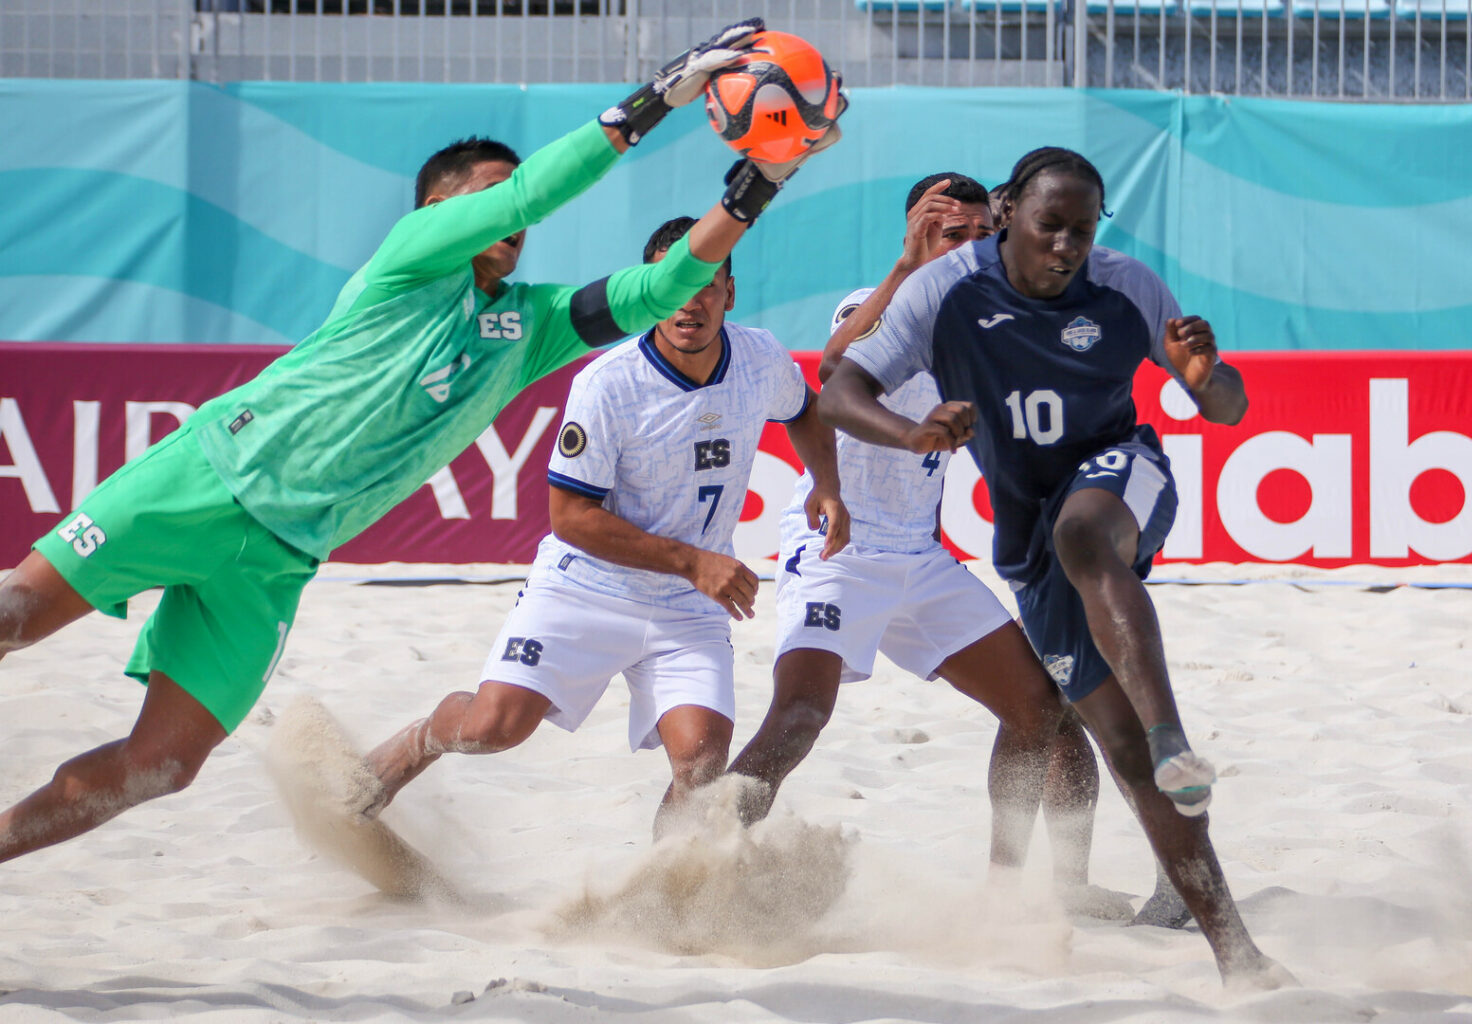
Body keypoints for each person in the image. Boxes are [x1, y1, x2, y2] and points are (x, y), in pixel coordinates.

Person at [0, 20, 844, 866]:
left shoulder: (529, 325)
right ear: (444, 211)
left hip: (278, 562)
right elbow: (529, 196)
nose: (514, 214)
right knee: (17, 615)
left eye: (512, 204)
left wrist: (759, 183)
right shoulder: (407, 259)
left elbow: (665, 284)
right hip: (208, 478)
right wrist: (657, 98)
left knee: (164, 766)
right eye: (491, 196)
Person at [818, 147, 1290, 986]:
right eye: (1051, 226)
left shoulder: (1126, 287)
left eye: (1082, 227)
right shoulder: (943, 290)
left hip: (1121, 481)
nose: (1068, 245)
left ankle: (1171, 729)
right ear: (1009, 217)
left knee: (1085, 543)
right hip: (1025, 537)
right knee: (1118, 752)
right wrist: (913, 430)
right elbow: (837, 393)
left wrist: (1207, 376)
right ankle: (1240, 957)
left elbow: (1227, 410)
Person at [726, 171, 1183, 923]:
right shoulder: (887, 301)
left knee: (1047, 708)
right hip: (840, 545)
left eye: (978, 234)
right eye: (948, 234)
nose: (966, 249)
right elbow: (833, 372)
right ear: (914, 237)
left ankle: (1031, 887)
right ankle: (695, 859)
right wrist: (906, 266)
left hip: (919, 553)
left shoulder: (987, 306)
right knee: (800, 717)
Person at [355, 216, 849, 840]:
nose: (690, 300)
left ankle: (665, 892)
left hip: (684, 605)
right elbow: (570, 519)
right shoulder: (607, 384)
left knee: (701, 763)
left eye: (707, 283)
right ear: (650, 289)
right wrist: (696, 562)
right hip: (586, 587)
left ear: (730, 291)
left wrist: (826, 483)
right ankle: (415, 744)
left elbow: (804, 410)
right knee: (493, 729)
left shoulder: (759, 357)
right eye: (676, 283)